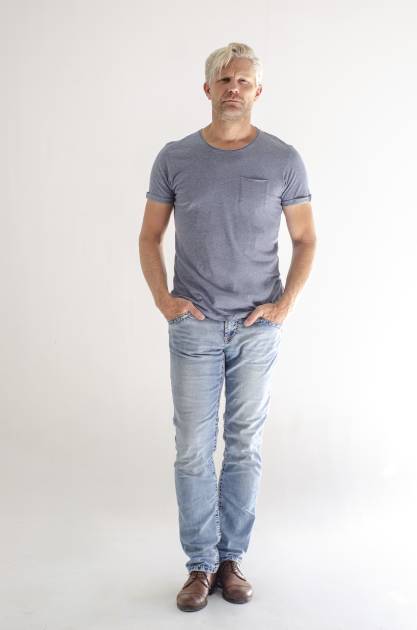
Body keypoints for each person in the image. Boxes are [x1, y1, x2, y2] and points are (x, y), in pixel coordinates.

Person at [139, 42, 317, 612]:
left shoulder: (283, 159)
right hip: (194, 325)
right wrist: (164, 299)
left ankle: (231, 561)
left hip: (256, 328)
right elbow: (149, 235)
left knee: (244, 446)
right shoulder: (176, 157)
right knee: (193, 449)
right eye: (223, 79)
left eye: (242, 80)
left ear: (257, 91)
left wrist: (284, 305)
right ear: (207, 89)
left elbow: (305, 239)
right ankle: (200, 564)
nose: (233, 88)